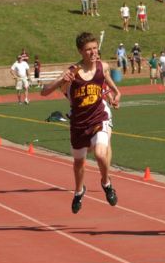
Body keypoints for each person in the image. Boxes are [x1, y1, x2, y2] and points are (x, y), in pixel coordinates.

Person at [40, 32, 121, 214]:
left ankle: (106, 183)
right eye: (88, 50)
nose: (93, 53)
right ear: (80, 52)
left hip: (99, 117)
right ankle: (79, 191)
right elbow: (44, 92)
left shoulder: (102, 66)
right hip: (78, 123)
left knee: (101, 153)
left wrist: (117, 94)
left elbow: (108, 82)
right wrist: (61, 80)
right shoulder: (73, 72)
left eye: (95, 49)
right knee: (78, 163)